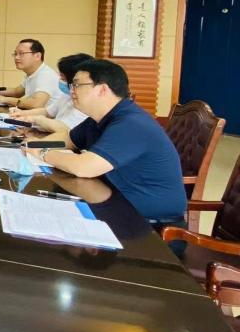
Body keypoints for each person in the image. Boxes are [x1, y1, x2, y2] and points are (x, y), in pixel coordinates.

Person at [24, 59, 186, 226]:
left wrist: (43, 153)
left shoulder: (131, 123)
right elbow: (68, 141)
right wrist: (33, 144)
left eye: (77, 85)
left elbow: (84, 167)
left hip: (149, 225)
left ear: (102, 89)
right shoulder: (99, 118)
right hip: (113, 204)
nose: (72, 91)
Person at [9, 52, 91, 133]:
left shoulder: (85, 103)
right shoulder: (66, 95)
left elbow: (66, 129)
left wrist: (36, 119)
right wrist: (22, 113)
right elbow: (48, 112)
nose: (59, 80)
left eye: (62, 78)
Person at [0, 38, 60, 109]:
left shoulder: (46, 75)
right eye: (15, 54)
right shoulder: (32, 73)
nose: (16, 57)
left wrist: (4, 99)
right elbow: (16, 92)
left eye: (21, 53)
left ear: (37, 56)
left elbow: (36, 104)